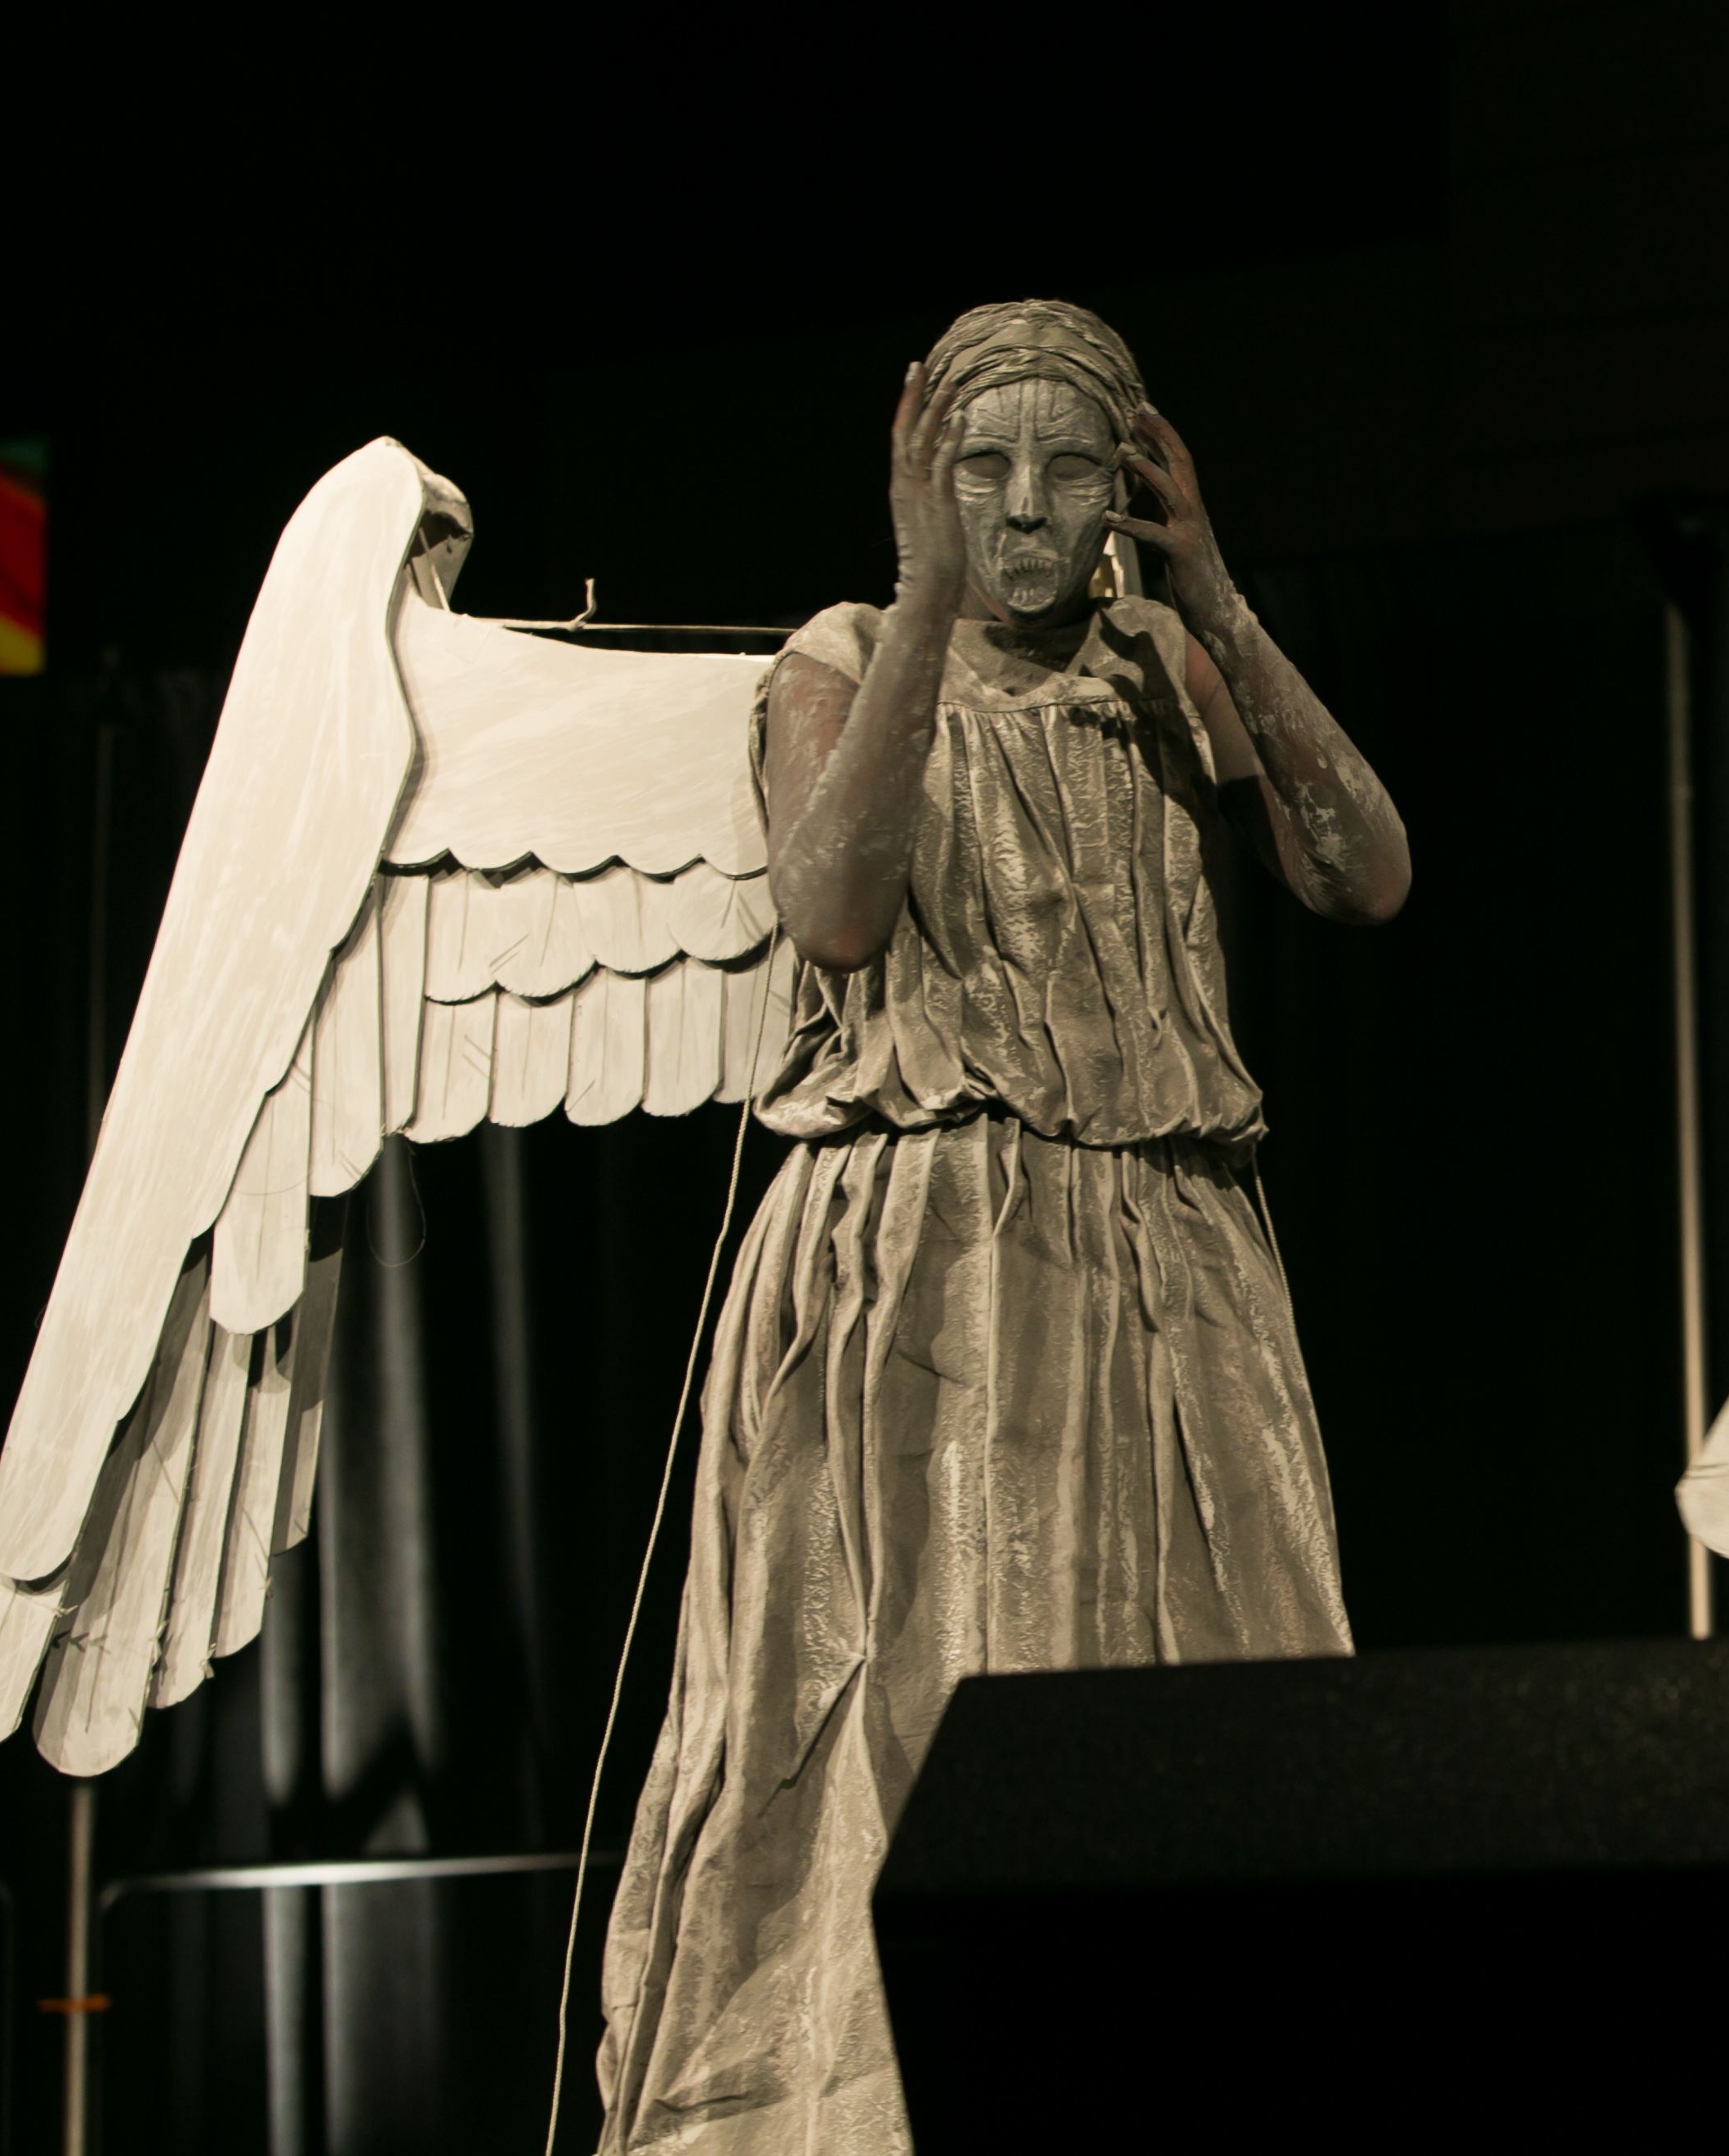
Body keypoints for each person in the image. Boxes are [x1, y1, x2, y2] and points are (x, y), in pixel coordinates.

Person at [593, 301, 1410, 2152]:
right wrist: (915, 601)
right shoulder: (840, 659)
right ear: (920, 479)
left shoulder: (1162, 667)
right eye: (982, 467)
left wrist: (1218, 604)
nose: (1026, 508)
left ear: (1129, 487)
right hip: (929, 1253)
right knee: (924, 1668)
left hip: (1168, 1254)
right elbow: (834, 912)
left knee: (1220, 1667)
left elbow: (1366, 874)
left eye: (1068, 468)